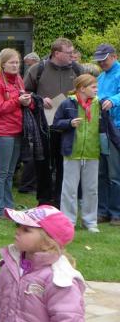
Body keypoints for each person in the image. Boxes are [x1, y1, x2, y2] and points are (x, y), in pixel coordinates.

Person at [55, 72, 120, 232]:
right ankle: (68, 221)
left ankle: (90, 222)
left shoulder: (99, 105)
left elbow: (109, 127)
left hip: (92, 153)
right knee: (69, 190)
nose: (97, 90)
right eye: (93, 87)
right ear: (82, 88)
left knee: (91, 190)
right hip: (72, 153)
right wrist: (69, 123)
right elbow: (56, 123)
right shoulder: (67, 103)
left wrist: (117, 143)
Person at [25, 38, 83, 207]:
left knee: (64, 165)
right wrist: (40, 99)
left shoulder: (77, 69)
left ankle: (60, 201)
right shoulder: (38, 69)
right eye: (68, 52)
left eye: (73, 52)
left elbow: (86, 91)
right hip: (44, 125)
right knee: (43, 163)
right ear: (57, 53)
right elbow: (25, 92)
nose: (72, 55)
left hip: (69, 126)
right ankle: (44, 200)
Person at [0, 48, 32, 217]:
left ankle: (8, 206)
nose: (15, 65)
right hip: (1, 132)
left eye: (17, 62)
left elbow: (21, 102)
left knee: (10, 172)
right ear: (3, 64)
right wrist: (17, 101)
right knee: (1, 172)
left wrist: (27, 101)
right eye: (11, 62)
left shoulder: (18, 80)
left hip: (16, 130)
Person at [95, 43, 120, 224]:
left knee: (115, 173)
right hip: (101, 128)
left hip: (116, 128)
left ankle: (116, 212)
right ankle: (102, 211)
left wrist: (113, 100)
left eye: (104, 60)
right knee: (101, 172)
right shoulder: (101, 77)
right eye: (99, 61)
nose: (101, 63)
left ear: (114, 56)